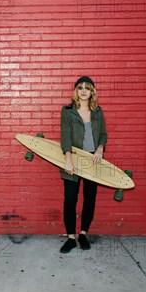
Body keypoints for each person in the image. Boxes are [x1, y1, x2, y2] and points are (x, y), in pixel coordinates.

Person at [59, 76, 107, 253]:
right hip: (73, 159)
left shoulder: (97, 112)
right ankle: (71, 238)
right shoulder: (67, 111)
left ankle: (83, 234)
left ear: (92, 91)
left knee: (90, 198)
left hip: (93, 161)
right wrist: (68, 159)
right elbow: (65, 136)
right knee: (70, 199)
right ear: (76, 91)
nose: (84, 90)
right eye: (80, 88)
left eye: (87, 88)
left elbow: (103, 134)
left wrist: (100, 149)